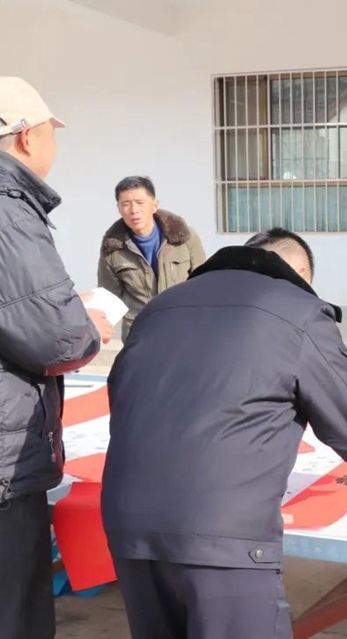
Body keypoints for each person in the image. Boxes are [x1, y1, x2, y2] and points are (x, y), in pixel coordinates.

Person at [102, 228, 347, 639]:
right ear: (299, 273)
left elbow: (123, 396)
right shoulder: (298, 310)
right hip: (223, 532)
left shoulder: (160, 307)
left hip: (129, 524)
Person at [0, 76, 111, 639]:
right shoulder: (9, 209)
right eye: (50, 132)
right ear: (26, 137)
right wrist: (87, 323)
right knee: (15, 609)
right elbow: (54, 339)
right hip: (4, 461)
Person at [98, 175, 206, 340]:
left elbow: (203, 283)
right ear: (118, 208)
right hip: (140, 332)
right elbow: (108, 296)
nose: (134, 210)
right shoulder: (113, 248)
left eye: (140, 202)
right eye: (126, 204)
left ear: (154, 205)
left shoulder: (185, 237)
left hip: (184, 328)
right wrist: (100, 330)